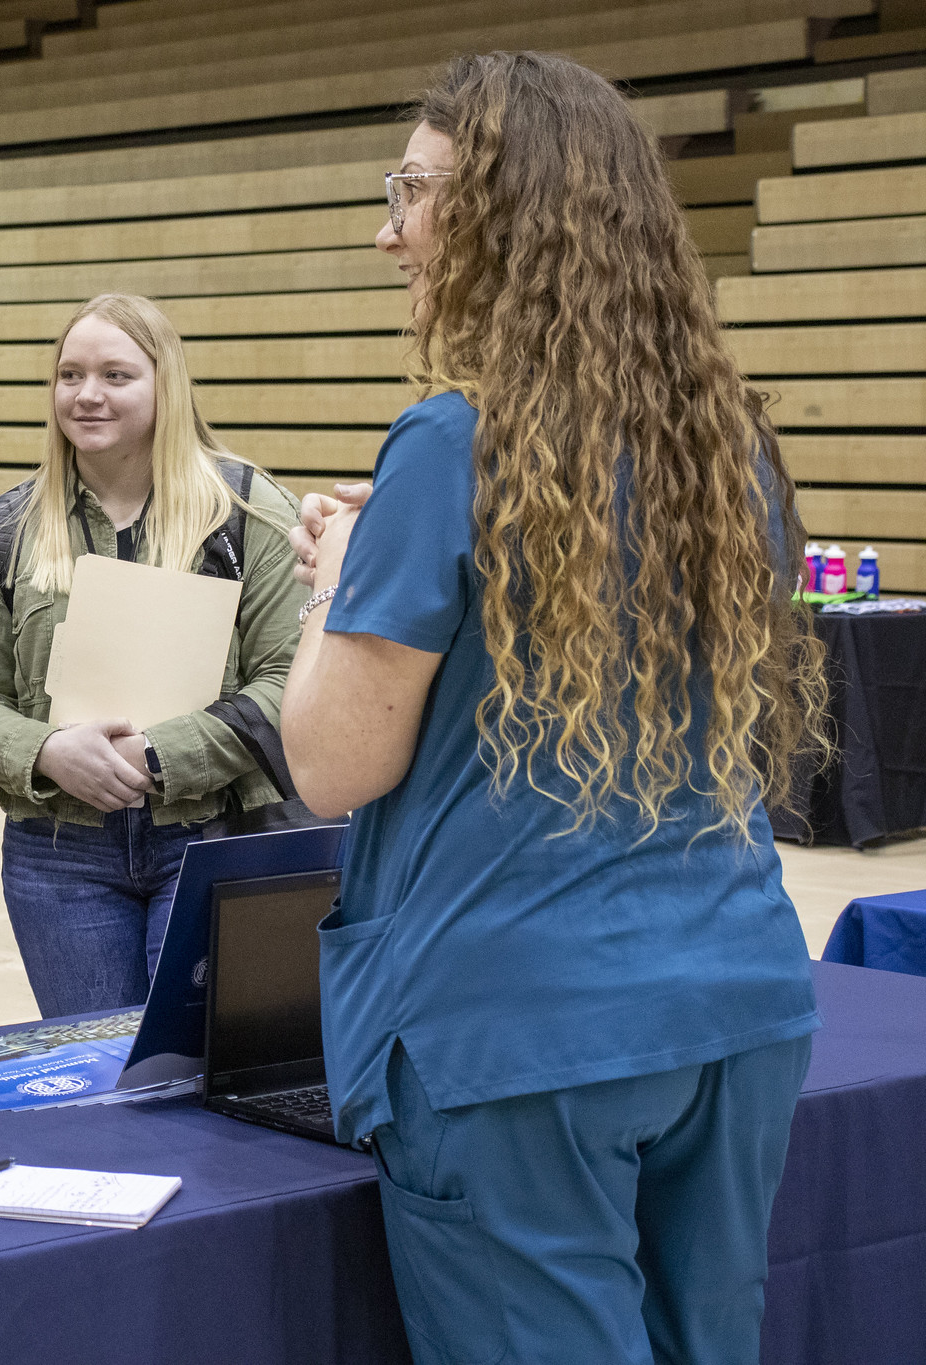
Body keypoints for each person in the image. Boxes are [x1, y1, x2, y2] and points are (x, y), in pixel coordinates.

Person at [281, 53, 827, 1365]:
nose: (387, 229)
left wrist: (338, 589)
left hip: (520, 1036)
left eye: (409, 191)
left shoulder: (451, 442)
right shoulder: (724, 444)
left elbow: (331, 765)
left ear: (494, 213)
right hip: (732, 1000)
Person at [0, 294, 303, 1016]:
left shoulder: (248, 514)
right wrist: (45, 750)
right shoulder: (9, 529)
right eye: (70, 375)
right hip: (59, 855)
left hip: (214, 836)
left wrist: (159, 753)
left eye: (115, 375)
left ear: (166, 385)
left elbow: (290, 680)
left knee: (194, 1077)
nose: (87, 395)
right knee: (98, 1082)